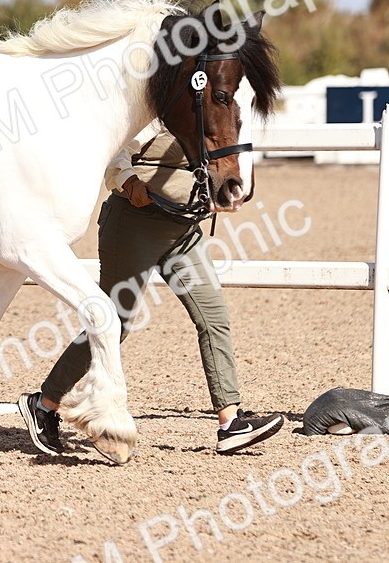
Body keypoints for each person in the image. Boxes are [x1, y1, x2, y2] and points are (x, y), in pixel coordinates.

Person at [18, 122, 283, 457]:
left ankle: (229, 422)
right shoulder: (160, 113)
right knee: (115, 322)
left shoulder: (212, 116)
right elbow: (117, 154)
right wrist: (129, 182)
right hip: (134, 225)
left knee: (213, 316)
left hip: (184, 229)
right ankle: (44, 404)